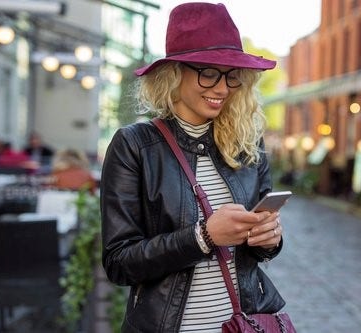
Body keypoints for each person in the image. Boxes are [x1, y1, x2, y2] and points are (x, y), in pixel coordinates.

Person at [100, 3, 287, 332]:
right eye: (208, 72)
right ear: (174, 73)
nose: (222, 88)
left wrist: (269, 239)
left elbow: (255, 254)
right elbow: (119, 263)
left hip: (243, 324)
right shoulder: (136, 146)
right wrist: (203, 237)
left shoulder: (247, 144)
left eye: (231, 76)